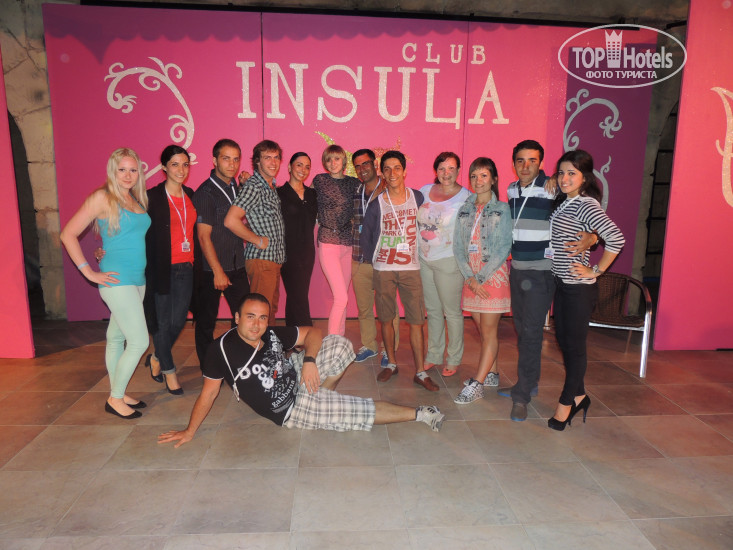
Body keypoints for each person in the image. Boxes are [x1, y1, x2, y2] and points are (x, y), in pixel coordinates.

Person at [157, 293, 445, 447]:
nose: (257, 324)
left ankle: (320, 394)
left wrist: (308, 362)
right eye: (250, 317)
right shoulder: (220, 350)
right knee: (358, 411)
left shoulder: (269, 333)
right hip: (290, 410)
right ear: (236, 318)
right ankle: (422, 413)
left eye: (262, 318)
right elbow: (208, 394)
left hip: (296, 376)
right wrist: (190, 431)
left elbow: (313, 332)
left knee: (339, 344)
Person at [497, 140, 597, 422]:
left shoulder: (553, 187)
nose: (525, 166)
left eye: (532, 160)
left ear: (541, 163)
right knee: (522, 330)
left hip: (541, 272)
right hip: (517, 268)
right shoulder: (511, 189)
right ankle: (529, 382)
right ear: (513, 163)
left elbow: (584, 212)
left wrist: (593, 237)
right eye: (520, 160)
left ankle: (522, 396)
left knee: (530, 333)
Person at [60, 148, 150, 419]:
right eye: (122, 170)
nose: (128, 175)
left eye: (133, 170)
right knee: (139, 341)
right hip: (116, 280)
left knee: (116, 337)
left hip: (138, 279)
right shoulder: (102, 197)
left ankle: (118, 391)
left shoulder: (135, 199)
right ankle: (115, 399)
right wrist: (88, 272)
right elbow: (68, 234)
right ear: (112, 171)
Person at [547, 149, 624, 430]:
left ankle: (566, 403)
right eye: (561, 172)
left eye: (572, 173)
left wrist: (596, 270)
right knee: (564, 343)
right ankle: (580, 396)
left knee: (575, 348)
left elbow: (616, 238)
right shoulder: (565, 202)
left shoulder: (585, 204)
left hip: (578, 289)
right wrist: (592, 238)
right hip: (562, 284)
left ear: (584, 177)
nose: (564, 178)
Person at [361, 151, 438, 392]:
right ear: (382, 173)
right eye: (387, 169)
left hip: (411, 269)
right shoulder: (377, 204)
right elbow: (366, 236)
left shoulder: (417, 197)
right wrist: (376, 262)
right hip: (384, 269)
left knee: (416, 321)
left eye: (397, 168)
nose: (392, 173)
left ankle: (420, 372)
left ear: (404, 171)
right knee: (386, 318)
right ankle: (391, 364)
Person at [452, 158, 512, 404]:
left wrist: (480, 278)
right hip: (471, 278)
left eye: (484, 175)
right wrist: (469, 277)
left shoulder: (503, 209)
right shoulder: (464, 209)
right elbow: (458, 247)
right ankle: (492, 373)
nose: (478, 181)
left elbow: (504, 246)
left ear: (494, 179)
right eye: (474, 176)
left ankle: (477, 383)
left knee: (488, 331)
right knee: (484, 331)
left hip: (491, 277)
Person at [142, 145, 196, 395]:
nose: (181, 170)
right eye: (175, 164)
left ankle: (156, 356)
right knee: (163, 323)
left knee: (178, 321)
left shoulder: (190, 195)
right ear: (164, 167)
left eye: (185, 164)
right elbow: (133, 229)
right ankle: (169, 371)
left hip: (186, 267)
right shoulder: (151, 197)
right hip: (160, 268)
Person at [192, 139, 250, 366]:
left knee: (243, 317)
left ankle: (237, 362)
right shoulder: (205, 193)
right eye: (226, 159)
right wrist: (217, 271)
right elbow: (203, 236)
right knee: (206, 322)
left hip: (237, 265)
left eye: (236, 159)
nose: (232, 164)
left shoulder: (235, 186)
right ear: (215, 160)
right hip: (211, 269)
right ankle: (209, 367)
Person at [417, 152, 471, 377]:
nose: (446, 173)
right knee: (432, 310)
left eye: (451, 168)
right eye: (442, 168)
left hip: (449, 261)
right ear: (435, 170)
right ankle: (434, 354)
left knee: (452, 312)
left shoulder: (466, 197)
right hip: (424, 259)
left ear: (458, 170)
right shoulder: (424, 191)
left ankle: (454, 358)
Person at [224, 140, 286, 325]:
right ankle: (258, 344)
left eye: (276, 157)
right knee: (260, 312)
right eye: (267, 158)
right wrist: (257, 240)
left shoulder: (269, 186)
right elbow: (231, 220)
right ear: (257, 161)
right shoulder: (255, 186)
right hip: (262, 259)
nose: (273, 162)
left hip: (273, 260)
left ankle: (267, 343)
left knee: (269, 309)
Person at [350, 148, 399, 365]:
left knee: (388, 308)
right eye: (358, 166)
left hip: (384, 260)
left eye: (366, 164)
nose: (362, 169)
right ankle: (369, 345)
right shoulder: (356, 191)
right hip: (359, 258)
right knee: (364, 308)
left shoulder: (390, 190)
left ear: (375, 164)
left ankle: (389, 350)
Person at [313, 144, 361, 336]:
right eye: (329, 159)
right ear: (325, 162)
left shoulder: (354, 183)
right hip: (327, 241)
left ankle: (339, 338)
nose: (333, 163)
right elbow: (302, 197)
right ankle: (332, 341)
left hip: (348, 243)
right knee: (341, 297)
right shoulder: (319, 180)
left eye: (337, 158)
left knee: (343, 298)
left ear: (344, 161)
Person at [277, 152, 318, 326]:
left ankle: (292, 335)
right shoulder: (279, 193)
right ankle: (308, 334)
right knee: (298, 295)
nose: (303, 169)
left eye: (307, 167)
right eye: (299, 165)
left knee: (296, 296)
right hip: (287, 252)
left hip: (307, 253)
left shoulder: (312, 194)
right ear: (289, 167)